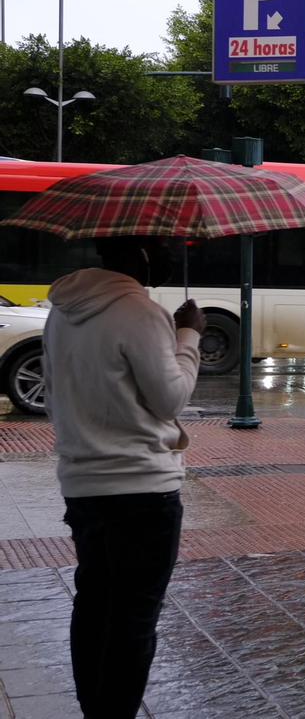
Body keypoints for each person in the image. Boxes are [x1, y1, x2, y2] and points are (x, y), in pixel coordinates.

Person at [44, 236, 205, 719]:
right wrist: (189, 336)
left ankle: (94, 709)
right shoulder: (139, 310)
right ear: (140, 251)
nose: (170, 255)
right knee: (134, 619)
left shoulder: (61, 312)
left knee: (93, 605)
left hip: (83, 487)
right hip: (143, 491)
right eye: (164, 246)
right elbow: (171, 398)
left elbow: (54, 401)